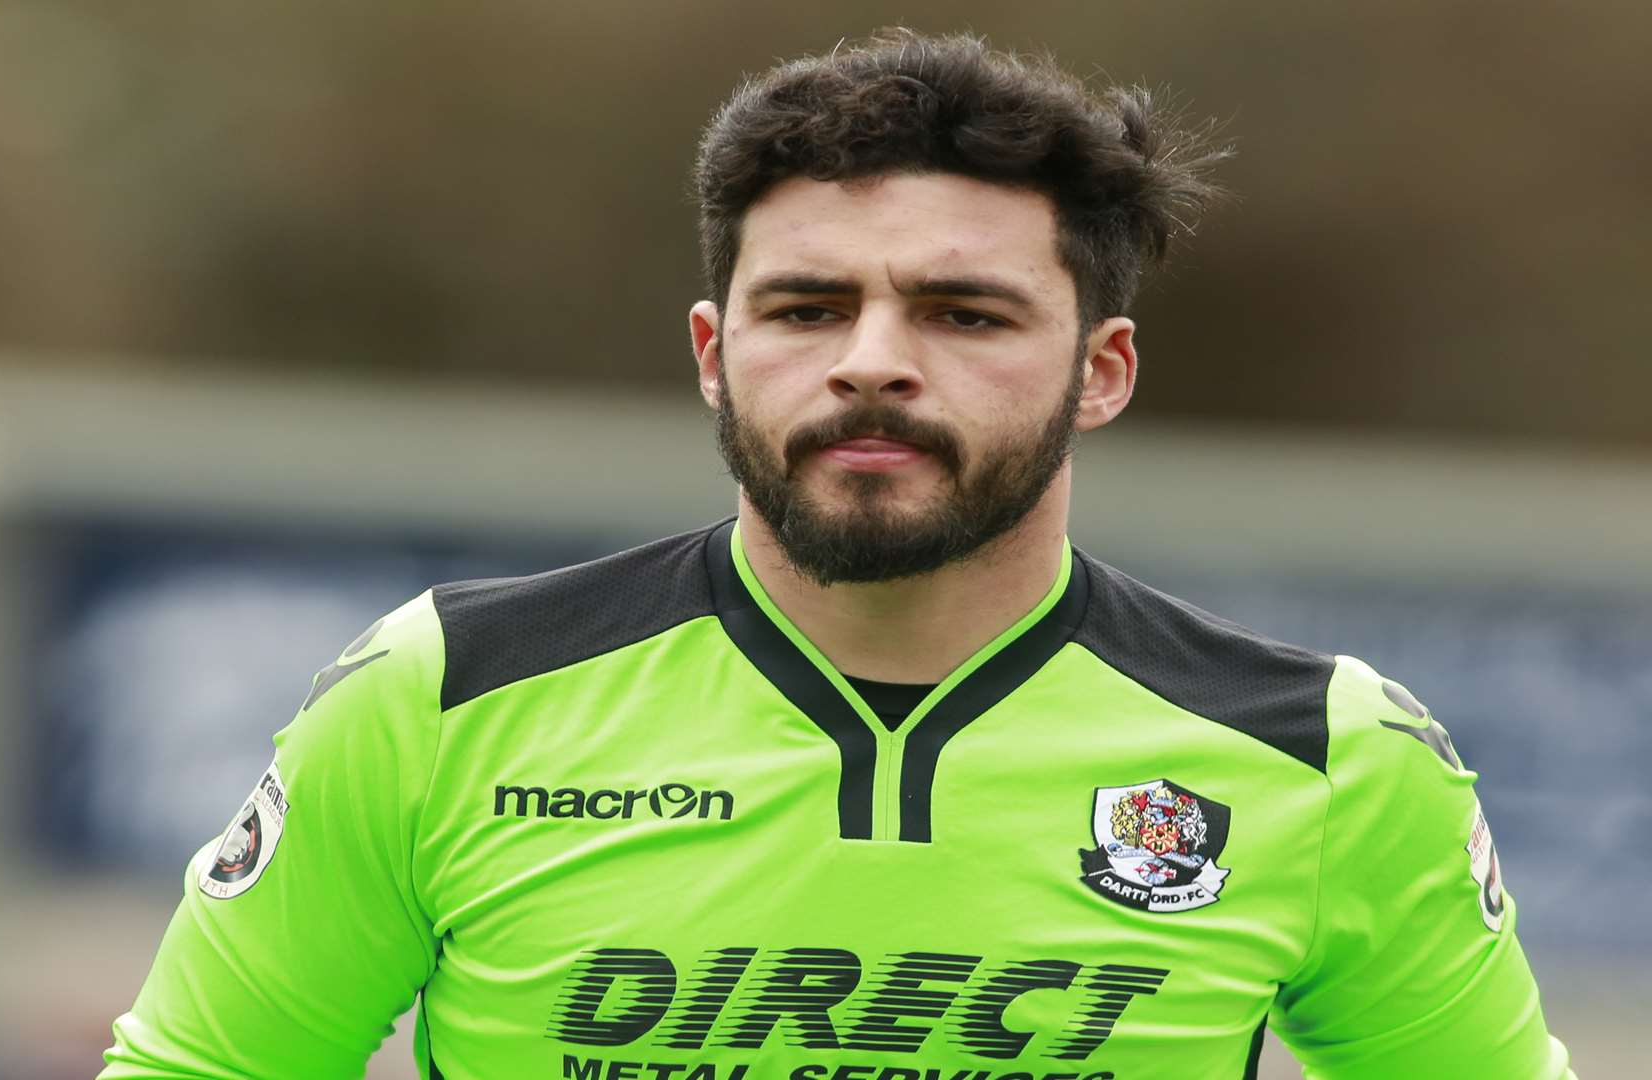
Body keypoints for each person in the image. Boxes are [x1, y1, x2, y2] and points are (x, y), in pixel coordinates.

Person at [102, 29, 1574, 1080]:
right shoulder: (443, 698)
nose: (874, 365)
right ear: (711, 352)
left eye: (965, 314)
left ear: (1102, 368)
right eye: (807, 308)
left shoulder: (1325, 757)